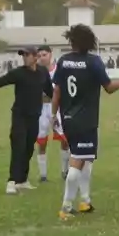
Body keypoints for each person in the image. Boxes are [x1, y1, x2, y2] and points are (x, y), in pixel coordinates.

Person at [52, 24, 119, 217]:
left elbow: (57, 91)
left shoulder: (63, 61)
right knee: (78, 160)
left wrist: (53, 115)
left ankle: (85, 201)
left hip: (67, 118)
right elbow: (109, 87)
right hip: (85, 120)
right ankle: (66, 207)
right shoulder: (93, 62)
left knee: (86, 157)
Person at [0, 47, 54, 195]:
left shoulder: (42, 72)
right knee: (18, 146)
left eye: (26, 55)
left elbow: (50, 91)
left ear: (35, 57)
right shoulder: (18, 73)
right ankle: (11, 181)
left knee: (29, 148)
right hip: (20, 116)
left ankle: (22, 181)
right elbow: (1, 81)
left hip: (34, 116)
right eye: (22, 55)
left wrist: (60, 100)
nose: (24, 57)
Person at [34, 47, 68, 183]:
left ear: (50, 55)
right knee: (42, 141)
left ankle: (64, 171)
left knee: (64, 139)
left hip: (57, 107)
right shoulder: (35, 72)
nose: (42, 57)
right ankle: (43, 175)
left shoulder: (58, 71)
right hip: (41, 108)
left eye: (44, 54)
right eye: (40, 55)